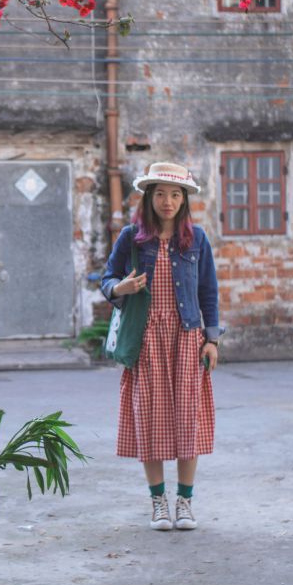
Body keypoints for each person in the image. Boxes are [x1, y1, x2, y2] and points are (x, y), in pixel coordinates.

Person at [101, 162, 221, 531]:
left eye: (174, 194)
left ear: (183, 199)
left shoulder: (197, 238)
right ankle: (158, 503)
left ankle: (185, 502)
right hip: (146, 338)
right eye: (159, 194)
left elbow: (208, 291)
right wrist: (120, 289)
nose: (167, 201)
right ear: (148, 198)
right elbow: (107, 278)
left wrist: (211, 339)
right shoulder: (131, 237)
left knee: (188, 420)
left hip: (186, 337)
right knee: (150, 420)